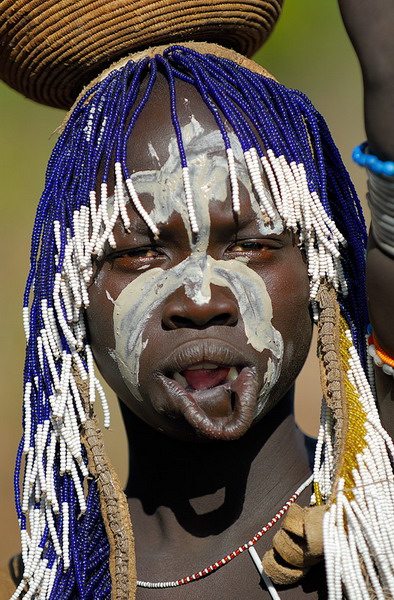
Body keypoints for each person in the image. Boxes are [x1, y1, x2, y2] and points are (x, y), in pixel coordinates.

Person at [2, 1, 394, 599]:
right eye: (141, 254)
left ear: (320, 266)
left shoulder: (373, 535)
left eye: (252, 245)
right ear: (70, 297)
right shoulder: (65, 584)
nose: (202, 299)